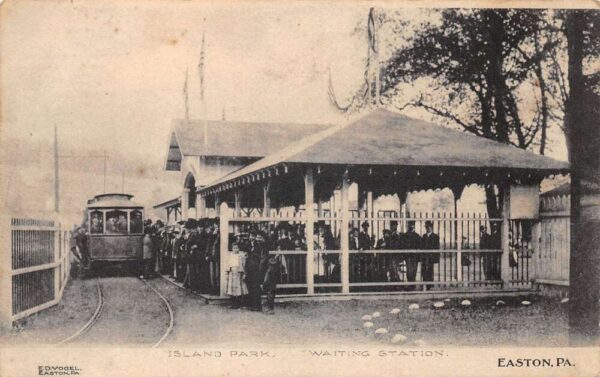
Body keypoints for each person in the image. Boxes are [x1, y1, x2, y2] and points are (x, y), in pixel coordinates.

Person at [244, 229, 264, 311]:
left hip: (256, 268)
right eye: (250, 236)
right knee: (250, 286)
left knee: (256, 286)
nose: (251, 238)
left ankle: (257, 305)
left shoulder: (258, 245)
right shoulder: (247, 244)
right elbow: (245, 252)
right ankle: (251, 304)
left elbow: (260, 255)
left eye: (253, 236)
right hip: (249, 267)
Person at [226, 242, 248, 309]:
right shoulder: (230, 255)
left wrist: (244, 273)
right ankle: (233, 303)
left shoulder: (241, 256)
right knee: (232, 288)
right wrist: (227, 273)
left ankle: (239, 303)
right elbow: (228, 265)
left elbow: (244, 265)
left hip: (239, 273)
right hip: (232, 273)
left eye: (237, 248)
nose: (235, 249)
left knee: (239, 288)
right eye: (234, 248)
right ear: (232, 249)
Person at [421, 220, 440, 290]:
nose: (428, 228)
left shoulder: (435, 236)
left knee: (430, 270)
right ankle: (425, 283)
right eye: (426, 227)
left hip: (431, 257)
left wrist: (435, 258)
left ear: (431, 227)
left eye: (429, 227)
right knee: (424, 270)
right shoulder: (424, 236)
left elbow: (437, 247)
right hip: (424, 256)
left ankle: (429, 284)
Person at [402, 221, 421, 290]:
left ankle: (412, 285)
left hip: (414, 256)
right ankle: (411, 284)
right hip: (408, 256)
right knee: (409, 271)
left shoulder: (417, 236)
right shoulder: (405, 235)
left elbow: (420, 246)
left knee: (414, 271)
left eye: (412, 225)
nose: (411, 226)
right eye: (410, 225)